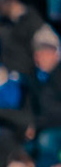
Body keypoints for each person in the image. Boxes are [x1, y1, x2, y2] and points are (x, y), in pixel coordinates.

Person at [24, 26, 61, 158]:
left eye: (43, 52)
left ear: (55, 53)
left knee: (46, 141)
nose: (38, 57)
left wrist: (36, 124)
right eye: (36, 52)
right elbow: (30, 107)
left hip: (54, 127)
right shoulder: (35, 78)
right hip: (43, 127)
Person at [0, 0, 42, 82]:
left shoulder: (33, 21)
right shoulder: (4, 24)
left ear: (11, 1)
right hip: (9, 78)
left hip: (29, 78)